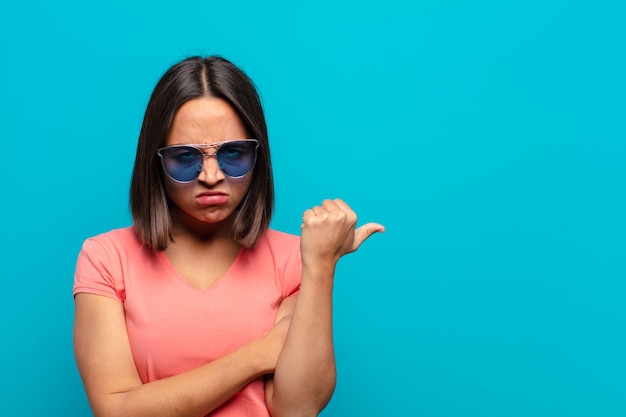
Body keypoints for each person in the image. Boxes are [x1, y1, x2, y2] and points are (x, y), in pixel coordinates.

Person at [72, 55, 384, 417]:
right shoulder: (106, 258)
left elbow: (297, 409)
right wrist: (257, 355)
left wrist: (321, 265)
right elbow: (117, 410)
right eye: (186, 157)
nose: (210, 175)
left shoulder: (292, 259)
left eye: (232, 153)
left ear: (257, 155)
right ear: (155, 161)